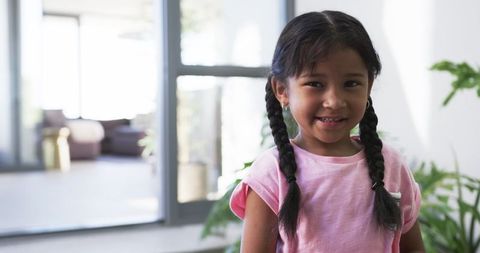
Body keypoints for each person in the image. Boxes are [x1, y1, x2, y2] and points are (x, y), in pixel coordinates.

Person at [229, 10, 425, 252]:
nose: (334, 101)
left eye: (351, 83)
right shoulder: (271, 175)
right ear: (282, 90)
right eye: (315, 84)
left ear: (369, 85)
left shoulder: (391, 165)